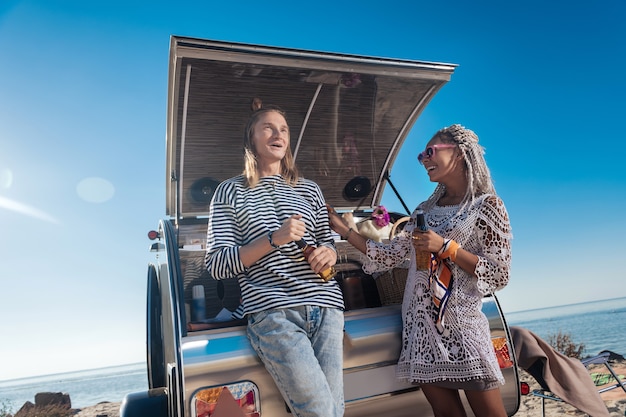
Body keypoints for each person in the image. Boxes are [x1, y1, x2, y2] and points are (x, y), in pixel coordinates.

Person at [328, 124, 512, 417]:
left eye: (430, 152)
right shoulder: (423, 211)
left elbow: (499, 274)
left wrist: (447, 247)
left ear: (461, 154)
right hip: (420, 330)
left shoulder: (486, 206)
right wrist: (346, 232)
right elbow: (390, 256)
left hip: (461, 327)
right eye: (421, 155)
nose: (424, 160)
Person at [204, 105, 345, 417]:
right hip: (274, 311)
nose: (278, 134)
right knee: (321, 412)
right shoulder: (230, 192)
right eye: (268, 127)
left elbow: (328, 239)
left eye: (283, 129)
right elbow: (217, 263)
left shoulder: (310, 190)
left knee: (333, 411)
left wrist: (329, 252)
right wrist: (273, 240)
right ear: (251, 139)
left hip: (327, 308)